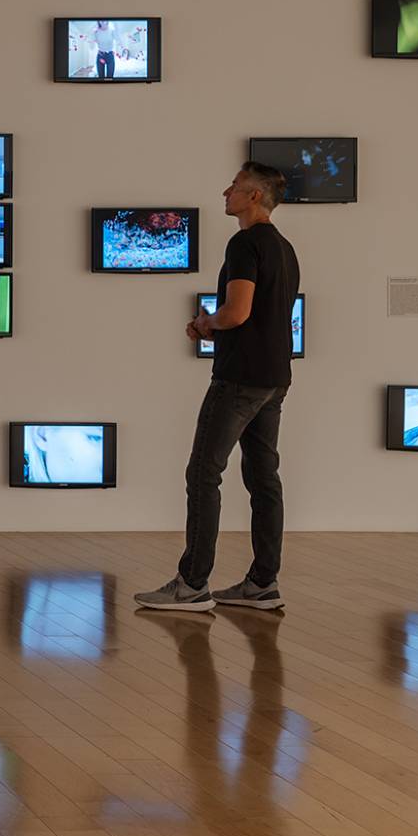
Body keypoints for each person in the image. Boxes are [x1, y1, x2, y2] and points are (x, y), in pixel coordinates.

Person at [139, 162, 302, 614]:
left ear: (255, 196)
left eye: (235, 186)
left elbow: (238, 312)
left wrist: (205, 323)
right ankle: (262, 583)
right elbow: (264, 317)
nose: (225, 192)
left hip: (240, 377)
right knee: (264, 479)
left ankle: (192, 584)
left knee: (202, 474)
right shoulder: (285, 248)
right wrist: (219, 326)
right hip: (275, 377)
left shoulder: (245, 243)